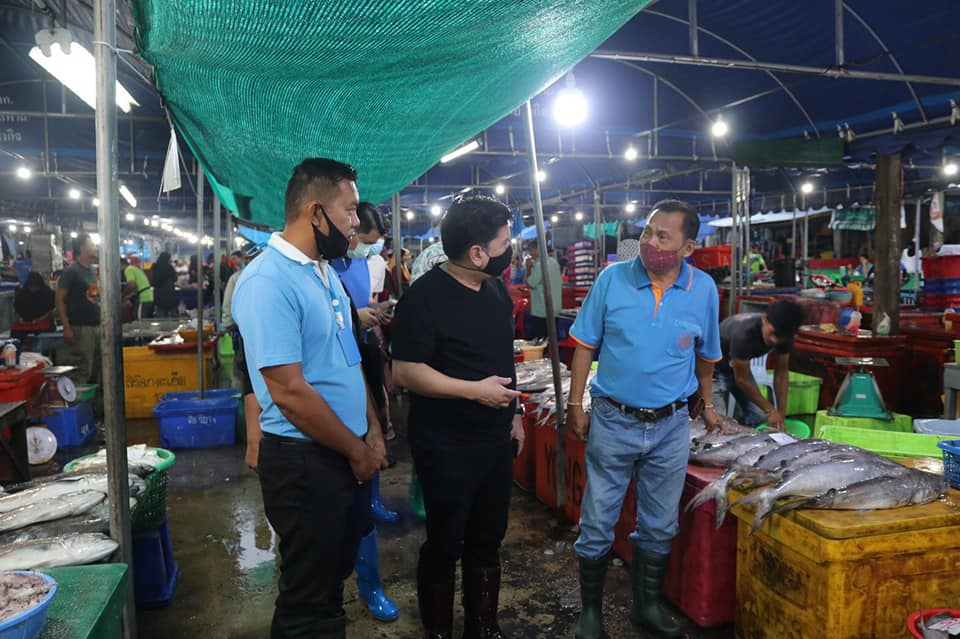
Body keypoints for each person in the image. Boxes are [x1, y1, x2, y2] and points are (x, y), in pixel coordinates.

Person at [232, 158, 387, 639]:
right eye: (351, 211)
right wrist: (357, 449)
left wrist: (375, 430)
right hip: (305, 463)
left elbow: (348, 361)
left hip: (346, 452)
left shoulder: (325, 274)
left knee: (330, 581)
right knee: (305, 598)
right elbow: (289, 392)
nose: (357, 223)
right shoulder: (266, 282)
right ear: (316, 213)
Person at [565, 200, 722, 639]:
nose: (650, 242)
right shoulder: (612, 278)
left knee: (659, 524)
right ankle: (590, 614)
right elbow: (583, 346)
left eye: (663, 237)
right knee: (597, 521)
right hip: (614, 420)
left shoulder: (704, 289)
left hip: (672, 427)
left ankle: (646, 609)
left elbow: (706, 357)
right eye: (649, 232)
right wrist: (576, 405)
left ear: (688, 247)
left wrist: (707, 405)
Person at [392, 196, 524, 639]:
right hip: (446, 443)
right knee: (446, 541)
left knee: (488, 536)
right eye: (505, 242)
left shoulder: (496, 291)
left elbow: (505, 360)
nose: (512, 250)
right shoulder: (424, 297)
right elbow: (406, 371)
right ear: (477, 253)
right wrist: (474, 391)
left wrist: (516, 412)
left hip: (494, 440)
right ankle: (440, 630)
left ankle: (483, 625)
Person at [330, 201, 401, 622]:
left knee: (363, 473)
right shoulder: (318, 268)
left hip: (360, 359)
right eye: (363, 240)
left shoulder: (361, 264)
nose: (367, 248)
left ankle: (370, 585)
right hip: (327, 384)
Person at [712, 299, 805, 429]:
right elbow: (742, 379)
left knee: (758, 416)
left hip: (738, 366)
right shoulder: (744, 334)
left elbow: (781, 374)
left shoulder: (786, 336)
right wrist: (771, 411)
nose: (775, 340)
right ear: (764, 319)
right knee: (716, 423)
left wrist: (781, 413)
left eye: (781, 337)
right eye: (773, 333)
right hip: (712, 368)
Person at [56, 233, 101, 388]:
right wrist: (66, 327)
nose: (95, 248)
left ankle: (95, 407)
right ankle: (77, 404)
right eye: (92, 245)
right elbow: (59, 299)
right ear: (82, 248)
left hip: (96, 325)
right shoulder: (72, 271)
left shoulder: (92, 271)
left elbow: (94, 296)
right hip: (80, 328)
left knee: (98, 368)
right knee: (83, 369)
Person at [524, 241, 563, 340]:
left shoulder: (540, 265)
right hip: (555, 310)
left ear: (537, 250)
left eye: (531, 251)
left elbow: (530, 284)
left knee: (541, 342)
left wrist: (528, 268)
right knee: (552, 341)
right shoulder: (554, 262)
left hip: (542, 311)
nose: (530, 254)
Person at [12, 271, 55, 340]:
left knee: (44, 337)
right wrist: (19, 318)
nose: (33, 289)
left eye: (36, 287)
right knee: (15, 335)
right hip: (24, 323)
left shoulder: (47, 293)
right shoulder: (22, 294)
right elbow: (16, 309)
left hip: (41, 321)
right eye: (31, 287)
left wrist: (38, 320)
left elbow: (50, 311)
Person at [151, 252, 179, 318]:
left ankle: (162, 326)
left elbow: (152, 279)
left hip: (158, 292)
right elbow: (175, 278)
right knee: (173, 312)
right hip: (169, 291)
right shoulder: (169, 267)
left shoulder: (155, 266)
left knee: (160, 312)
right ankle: (174, 325)